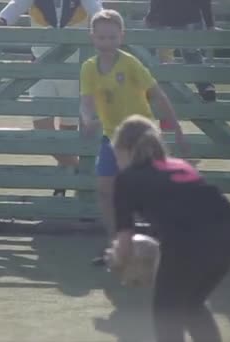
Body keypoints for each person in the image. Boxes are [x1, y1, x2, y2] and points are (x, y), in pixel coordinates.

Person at [108, 115, 230, 342]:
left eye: (117, 155)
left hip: (188, 243)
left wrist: (117, 260)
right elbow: (190, 208)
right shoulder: (180, 165)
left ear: (125, 149)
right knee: (191, 305)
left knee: (166, 315)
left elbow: (124, 242)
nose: (116, 162)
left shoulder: (126, 179)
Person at [79, 9, 187, 263]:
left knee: (148, 193)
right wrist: (87, 120)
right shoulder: (88, 68)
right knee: (106, 191)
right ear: (92, 37)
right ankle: (117, 246)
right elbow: (85, 101)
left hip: (141, 137)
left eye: (112, 37)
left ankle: (167, 241)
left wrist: (178, 129)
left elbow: (158, 94)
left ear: (121, 37)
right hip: (112, 138)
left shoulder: (130, 63)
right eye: (102, 37)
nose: (107, 42)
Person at [0, 0, 103, 197]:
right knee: (43, 129)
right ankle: (86, 178)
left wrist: (106, 25)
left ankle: (62, 184)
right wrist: (1, 20)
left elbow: (99, 13)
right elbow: (15, 7)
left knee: (68, 131)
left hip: (75, 71)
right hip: (41, 68)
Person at [143, 0, 217, 102]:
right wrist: (210, 24)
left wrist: (151, 15)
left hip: (167, 18)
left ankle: (168, 89)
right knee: (192, 56)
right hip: (191, 18)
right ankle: (205, 87)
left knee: (164, 57)